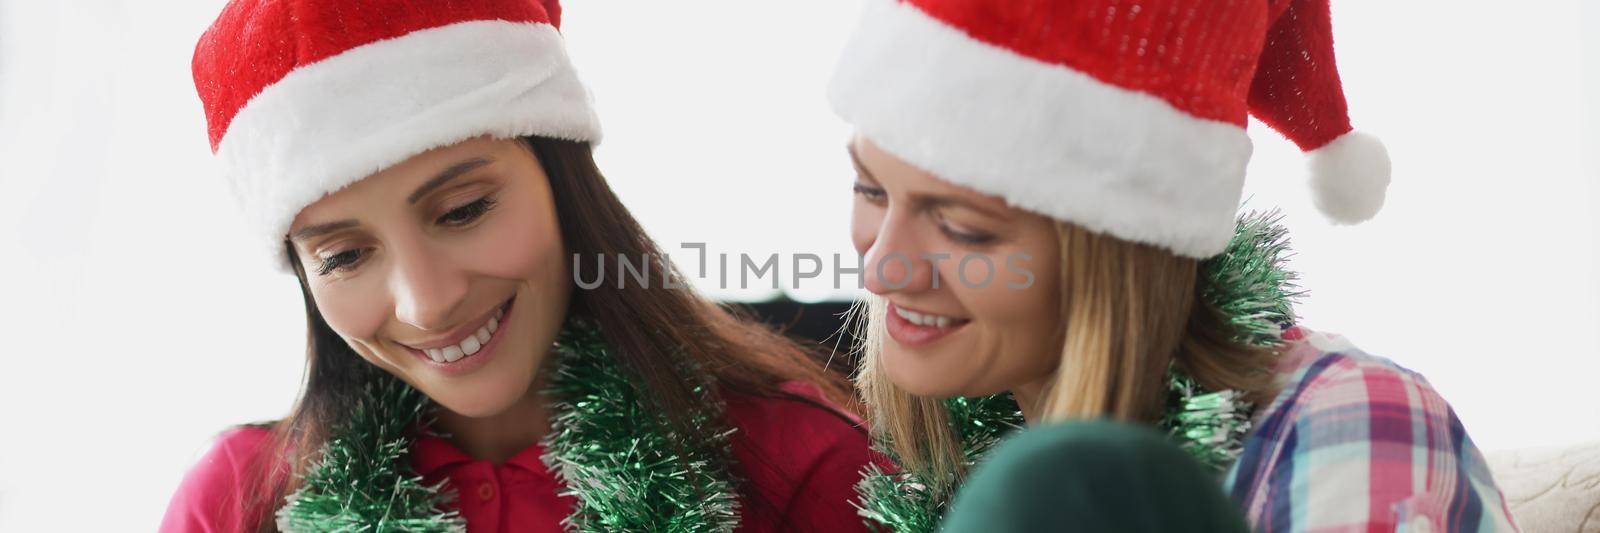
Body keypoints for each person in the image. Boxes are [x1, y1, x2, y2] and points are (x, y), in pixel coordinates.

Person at [160, 1, 872, 531]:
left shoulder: (797, 461)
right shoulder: (236, 502)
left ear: (562, 178)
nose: (427, 302)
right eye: (344, 255)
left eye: (463, 209)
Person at [825, 0, 1519, 531]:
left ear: (1117, 248)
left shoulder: (1348, 422)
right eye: (870, 189)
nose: (884, 267)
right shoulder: (947, 467)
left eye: (963, 228)